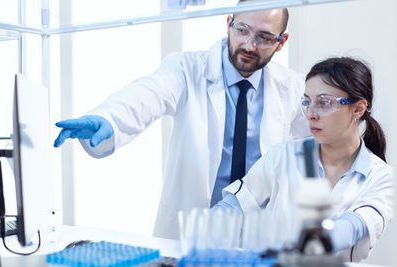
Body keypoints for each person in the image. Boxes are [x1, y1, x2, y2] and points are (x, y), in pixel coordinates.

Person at [53, 7, 310, 239]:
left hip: (259, 229)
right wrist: (109, 118)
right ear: (229, 23)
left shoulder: (291, 88)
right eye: (242, 30)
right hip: (196, 226)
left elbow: (323, 138)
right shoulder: (188, 68)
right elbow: (150, 93)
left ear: (281, 41)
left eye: (264, 38)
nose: (249, 45)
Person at [215, 57, 394, 261]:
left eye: (324, 103)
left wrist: (308, 243)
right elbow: (235, 205)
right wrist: (207, 224)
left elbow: (353, 227)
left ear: (358, 109)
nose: (310, 114)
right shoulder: (282, 155)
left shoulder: (382, 177)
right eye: (306, 102)